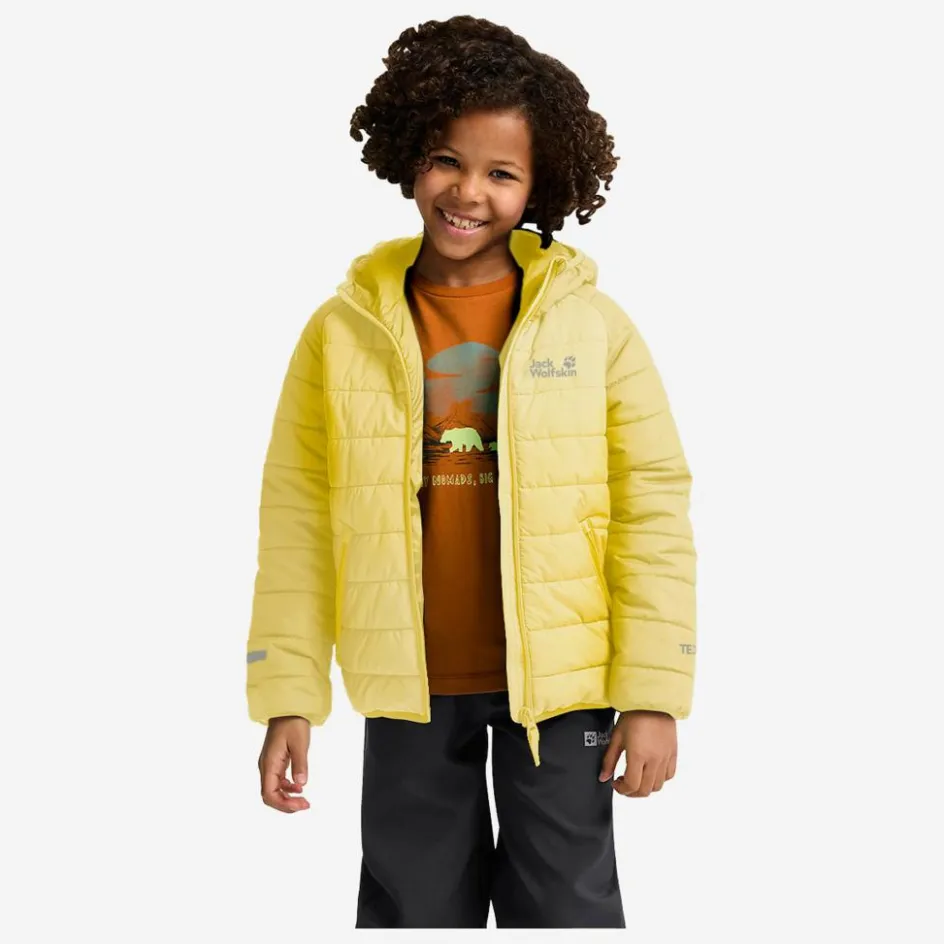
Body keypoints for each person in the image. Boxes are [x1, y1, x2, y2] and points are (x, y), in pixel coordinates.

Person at [245, 14, 697, 930]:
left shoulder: (593, 327)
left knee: (566, 910)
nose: (467, 192)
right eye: (448, 161)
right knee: (413, 912)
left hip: (564, 689)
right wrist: (288, 695)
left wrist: (653, 695)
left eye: (502, 174)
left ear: (541, 185)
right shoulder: (341, 332)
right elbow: (296, 521)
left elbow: (652, 509)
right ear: (410, 155)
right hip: (408, 683)